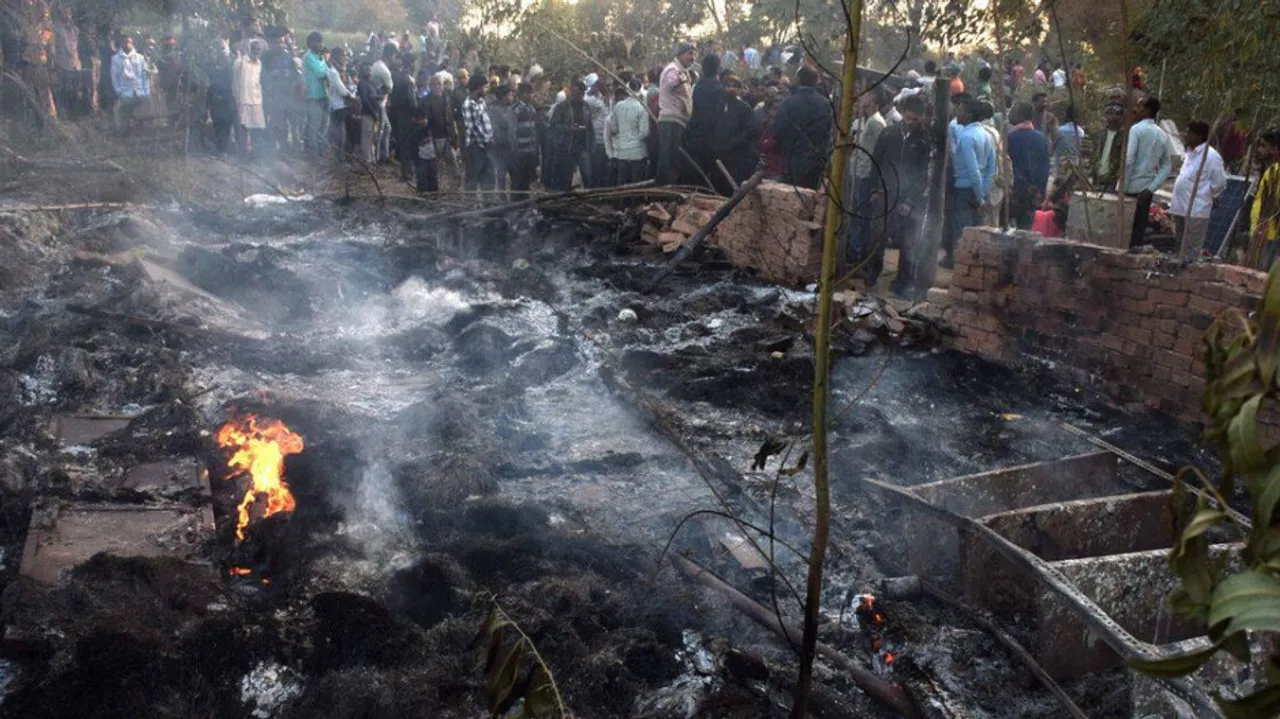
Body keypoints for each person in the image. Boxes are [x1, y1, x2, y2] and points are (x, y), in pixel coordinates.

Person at [870, 94, 932, 297]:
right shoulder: (888, 134)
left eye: (915, 120)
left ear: (922, 118)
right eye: (907, 118)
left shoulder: (924, 140)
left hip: (908, 198)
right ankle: (871, 274)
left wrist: (910, 201)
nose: (910, 123)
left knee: (908, 242)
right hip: (885, 192)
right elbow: (876, 163)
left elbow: (922, 174)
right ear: (903, 113)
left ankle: (904, 283)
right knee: (878, 236)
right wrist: (874, 189)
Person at [946, 96, 996, 266]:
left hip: (965, 191)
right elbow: (991, 168)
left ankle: (960, 267)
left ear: (968, 114)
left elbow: (973, 170)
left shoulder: (966, 137)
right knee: (975, 233)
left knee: (962, 233)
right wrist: (983, 191)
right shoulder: (986, 134)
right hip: (978, 190)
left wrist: (979, 196)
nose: (956, 113)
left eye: (960, 110)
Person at [1169, 121, 1227, 261]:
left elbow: (1219, 183)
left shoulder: (1211, 156)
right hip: (1180, 208)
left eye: (1189, 132)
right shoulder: (1190, 154)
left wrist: (1208, 196)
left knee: (1191, 250)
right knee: (1179, 247)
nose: (1185, 135)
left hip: (1196, 210)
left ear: (1199, 136)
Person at [1123, 96, 1173, 247]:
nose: (1135, 110)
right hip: (1145, 191)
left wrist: (1122, 186)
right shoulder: (1162, 135)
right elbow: (1166, 167)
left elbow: (1129, 159)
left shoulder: (1136, 129)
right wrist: (1151, 188)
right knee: (1138, 233)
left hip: (1129, 189)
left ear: (1148, 111)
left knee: (1122, 231)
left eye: (1139, 107)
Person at [845, 89, 886, 268]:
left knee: (861, 216)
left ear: (874, 102)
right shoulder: (864, 121)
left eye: (867, 96)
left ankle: (856, 254)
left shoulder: (875, 123)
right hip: (857, 171)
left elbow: (874, 153)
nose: (862, 99)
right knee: (855, 214)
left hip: (865, 174)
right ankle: (853, 252)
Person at [774, 66, 831, 189]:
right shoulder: (826, 104)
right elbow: (828, 133)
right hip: (816, 164)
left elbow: (778, 131)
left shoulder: (789, 103)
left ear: (799, 79)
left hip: (791, 162)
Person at [710, 73, 759, 194]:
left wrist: (734, 142)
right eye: (728, 86)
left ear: (739, 89)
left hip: (736, 157)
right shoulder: (718, 105)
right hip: (719, 155)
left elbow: (751, 130)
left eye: (735, 86)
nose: (731, 89)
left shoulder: (744, 108)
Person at [1006, 102, 1051, 229]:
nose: (1010, 113)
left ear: (1021, 115)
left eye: (1013, 110)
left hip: (1017, 192)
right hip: (1036, 193)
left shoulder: (1011, 137)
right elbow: (1045, 168)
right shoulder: (1041, 138)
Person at [657, 43, 696, 185]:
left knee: (674, 159)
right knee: (667, 158)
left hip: (679, 121)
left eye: (694, 54)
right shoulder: (673, 70)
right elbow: (672, 82)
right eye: (690, 53)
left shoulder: (683, 72)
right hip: (670, 121)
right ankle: (661, 191)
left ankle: (670, 189)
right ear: (680, 54)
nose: (693, 57)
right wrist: (682, 80)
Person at [684, 54, 724, 187]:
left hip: (696, 134)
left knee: (697, 173)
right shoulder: (721, 89)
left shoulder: (697, 87)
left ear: (703, 68)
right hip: (715, 137)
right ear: (717, 68)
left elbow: (691, 111)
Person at [549, 80, 593, 190]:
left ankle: (588, 198)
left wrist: (592, 143)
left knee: (587, 175)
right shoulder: (562, 107)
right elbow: (554, 126)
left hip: (583, 146)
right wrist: (570, 129)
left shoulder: (586, 106)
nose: (579, 95)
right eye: (576, 92)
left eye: (581, 93)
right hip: (567, 147)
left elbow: (590, 126)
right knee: (566, 177)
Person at [605, 79, 649, 188]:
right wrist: (635, 139)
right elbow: (644, 133)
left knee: (622, 183)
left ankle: (620, 204)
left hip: (622, 151)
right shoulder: (642, 108)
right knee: (636, 184)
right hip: (637, 153)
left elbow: (614, 128)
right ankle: (634, 205)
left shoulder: (618, 106)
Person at [261, 30, 298, 155]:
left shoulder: (288, 56)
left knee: (287, 125)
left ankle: (285, 150)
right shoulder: (265, 57)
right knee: (275, 124)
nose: (281, 44)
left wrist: (289, 74)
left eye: (282, 42)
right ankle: (271, 150)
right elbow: (260, 76)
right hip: (273, 96)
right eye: (278, 42)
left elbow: (295, 74)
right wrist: (271, 75)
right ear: (271, 43)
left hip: (287, 95)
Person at [110, 34, 150, 135]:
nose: (127, 44)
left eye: (129, 42)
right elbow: (115, 78)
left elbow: (144, 76)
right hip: (126, 93)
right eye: (125, 42)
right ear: (122, 44)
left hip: (140, 92)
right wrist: (120, 92)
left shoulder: (140, 58)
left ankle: (139, 130)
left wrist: (146, 91)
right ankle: (123, 132)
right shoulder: (116, 59)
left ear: (132, 44)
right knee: (121, 111)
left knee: (142, 109)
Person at [461, 74, 495, 192]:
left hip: (485, 146)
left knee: (488, 179)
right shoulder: (468, 104)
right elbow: (474, 128)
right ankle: (471, 207)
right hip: (475, 147)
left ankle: (488, 205)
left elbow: (486, 122)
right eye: (485, 87)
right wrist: (488, 140)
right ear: (478, 87)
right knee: (473, 180)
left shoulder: (481, 101)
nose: (486, 89)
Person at [233, 40, 266, 157]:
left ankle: (256, 156)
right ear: (250, 49)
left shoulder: (260, 64)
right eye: (255, 49)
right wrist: (236, 98)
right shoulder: (240, 62)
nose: (257, 51)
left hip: (257, 101)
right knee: (243, 128)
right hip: (243, 100)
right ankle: (243, 155)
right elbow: (234, 81)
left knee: (257, 129)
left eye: (259, 50)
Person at [1251, 131, 1280, 268]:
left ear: (1275, 149)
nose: (1260, 150)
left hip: (1272, 234)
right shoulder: (1272, 170)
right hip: (1262, 230)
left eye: (1264, 146)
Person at [388, 55, 419, 181]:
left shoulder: (395, 76)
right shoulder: (408, 79)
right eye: (414, 63)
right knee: (409, 143)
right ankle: (408, 173)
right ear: (410, 64)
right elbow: (412, 101)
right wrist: (418, 113)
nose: (415, 65)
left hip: (397, 114)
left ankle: (405, 172)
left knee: (402, 143)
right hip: (407, 115)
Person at [302, 32, 329, 157]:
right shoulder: (309, 57)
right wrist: (334, 73)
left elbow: (326, 71)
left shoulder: (320, 57)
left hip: (323, 94)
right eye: (317, 42)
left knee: (323, 124)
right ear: (309, 44)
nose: (320, 44)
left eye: (321, 42)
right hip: (313, 96)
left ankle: (319, 150)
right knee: (314, 125)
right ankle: (313, 153)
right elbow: (321, 74)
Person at [511, 83, 541, 192]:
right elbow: (512, 132)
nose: (532, 95)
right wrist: (515, 151)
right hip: (520, 151)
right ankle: (516, 204)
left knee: (528, 180)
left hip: (530, 150)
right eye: (530, 93)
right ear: (524, 94)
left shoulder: (532, 109)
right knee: (518, 180)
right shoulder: (515, 109)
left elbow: (534, 130)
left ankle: (525, 205)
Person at [326, 48, 356, 160]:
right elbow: (342, 90)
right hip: (338, 106)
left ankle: (345, 157)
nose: (344, 58)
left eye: (345, 56)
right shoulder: (333, 72)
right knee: (340, 135)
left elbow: (351, 86)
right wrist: (352, 95)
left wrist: (351, 91)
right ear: (335, 57)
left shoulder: (343, 71)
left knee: (347, 134)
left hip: (345, 105)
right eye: (341, 56)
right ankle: (340, 158)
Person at [52, 8, 81, 119]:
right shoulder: (56, 30)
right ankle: (61, 114)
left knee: (73, 90)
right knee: (61, 91)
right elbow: (52, 48)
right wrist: (54, 65)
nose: (68, 15)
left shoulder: (75, 30)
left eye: (69, 13)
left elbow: (75, 48)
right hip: (61, 64)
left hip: (74, 65)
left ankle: (72, 114)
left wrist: (77, 63)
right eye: (65, 13)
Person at [1092, 101, 1126, 190]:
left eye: (1117, 114)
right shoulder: (1100, 134)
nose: (1113, 116)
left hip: (1112, 180)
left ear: (1121, 116)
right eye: (1110, 113)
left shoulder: (1124, 136)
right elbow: (1094, 154)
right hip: (1097, 177)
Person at [489, 84, 516, 195]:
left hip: (512, 145)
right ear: (503, 96)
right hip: (500, 146)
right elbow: (492, 127)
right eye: (509, 95)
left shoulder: (512, 108)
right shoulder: (494, 110)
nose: (512, 97)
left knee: (514, 172)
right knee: (501, 172)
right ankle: (502, 195)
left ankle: (514, 195)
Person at [356, 64, 380, 163]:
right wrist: (373, 112)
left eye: (370, 70)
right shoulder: (362, 83)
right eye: (366, 71)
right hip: (367, 113)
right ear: (362, 72)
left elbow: (376, 96)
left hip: (375, 113)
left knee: (373, 137)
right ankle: (367, 159)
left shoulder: (372, 83)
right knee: (366, 136)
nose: (369, 73)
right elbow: (365, 100)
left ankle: (373, 157)